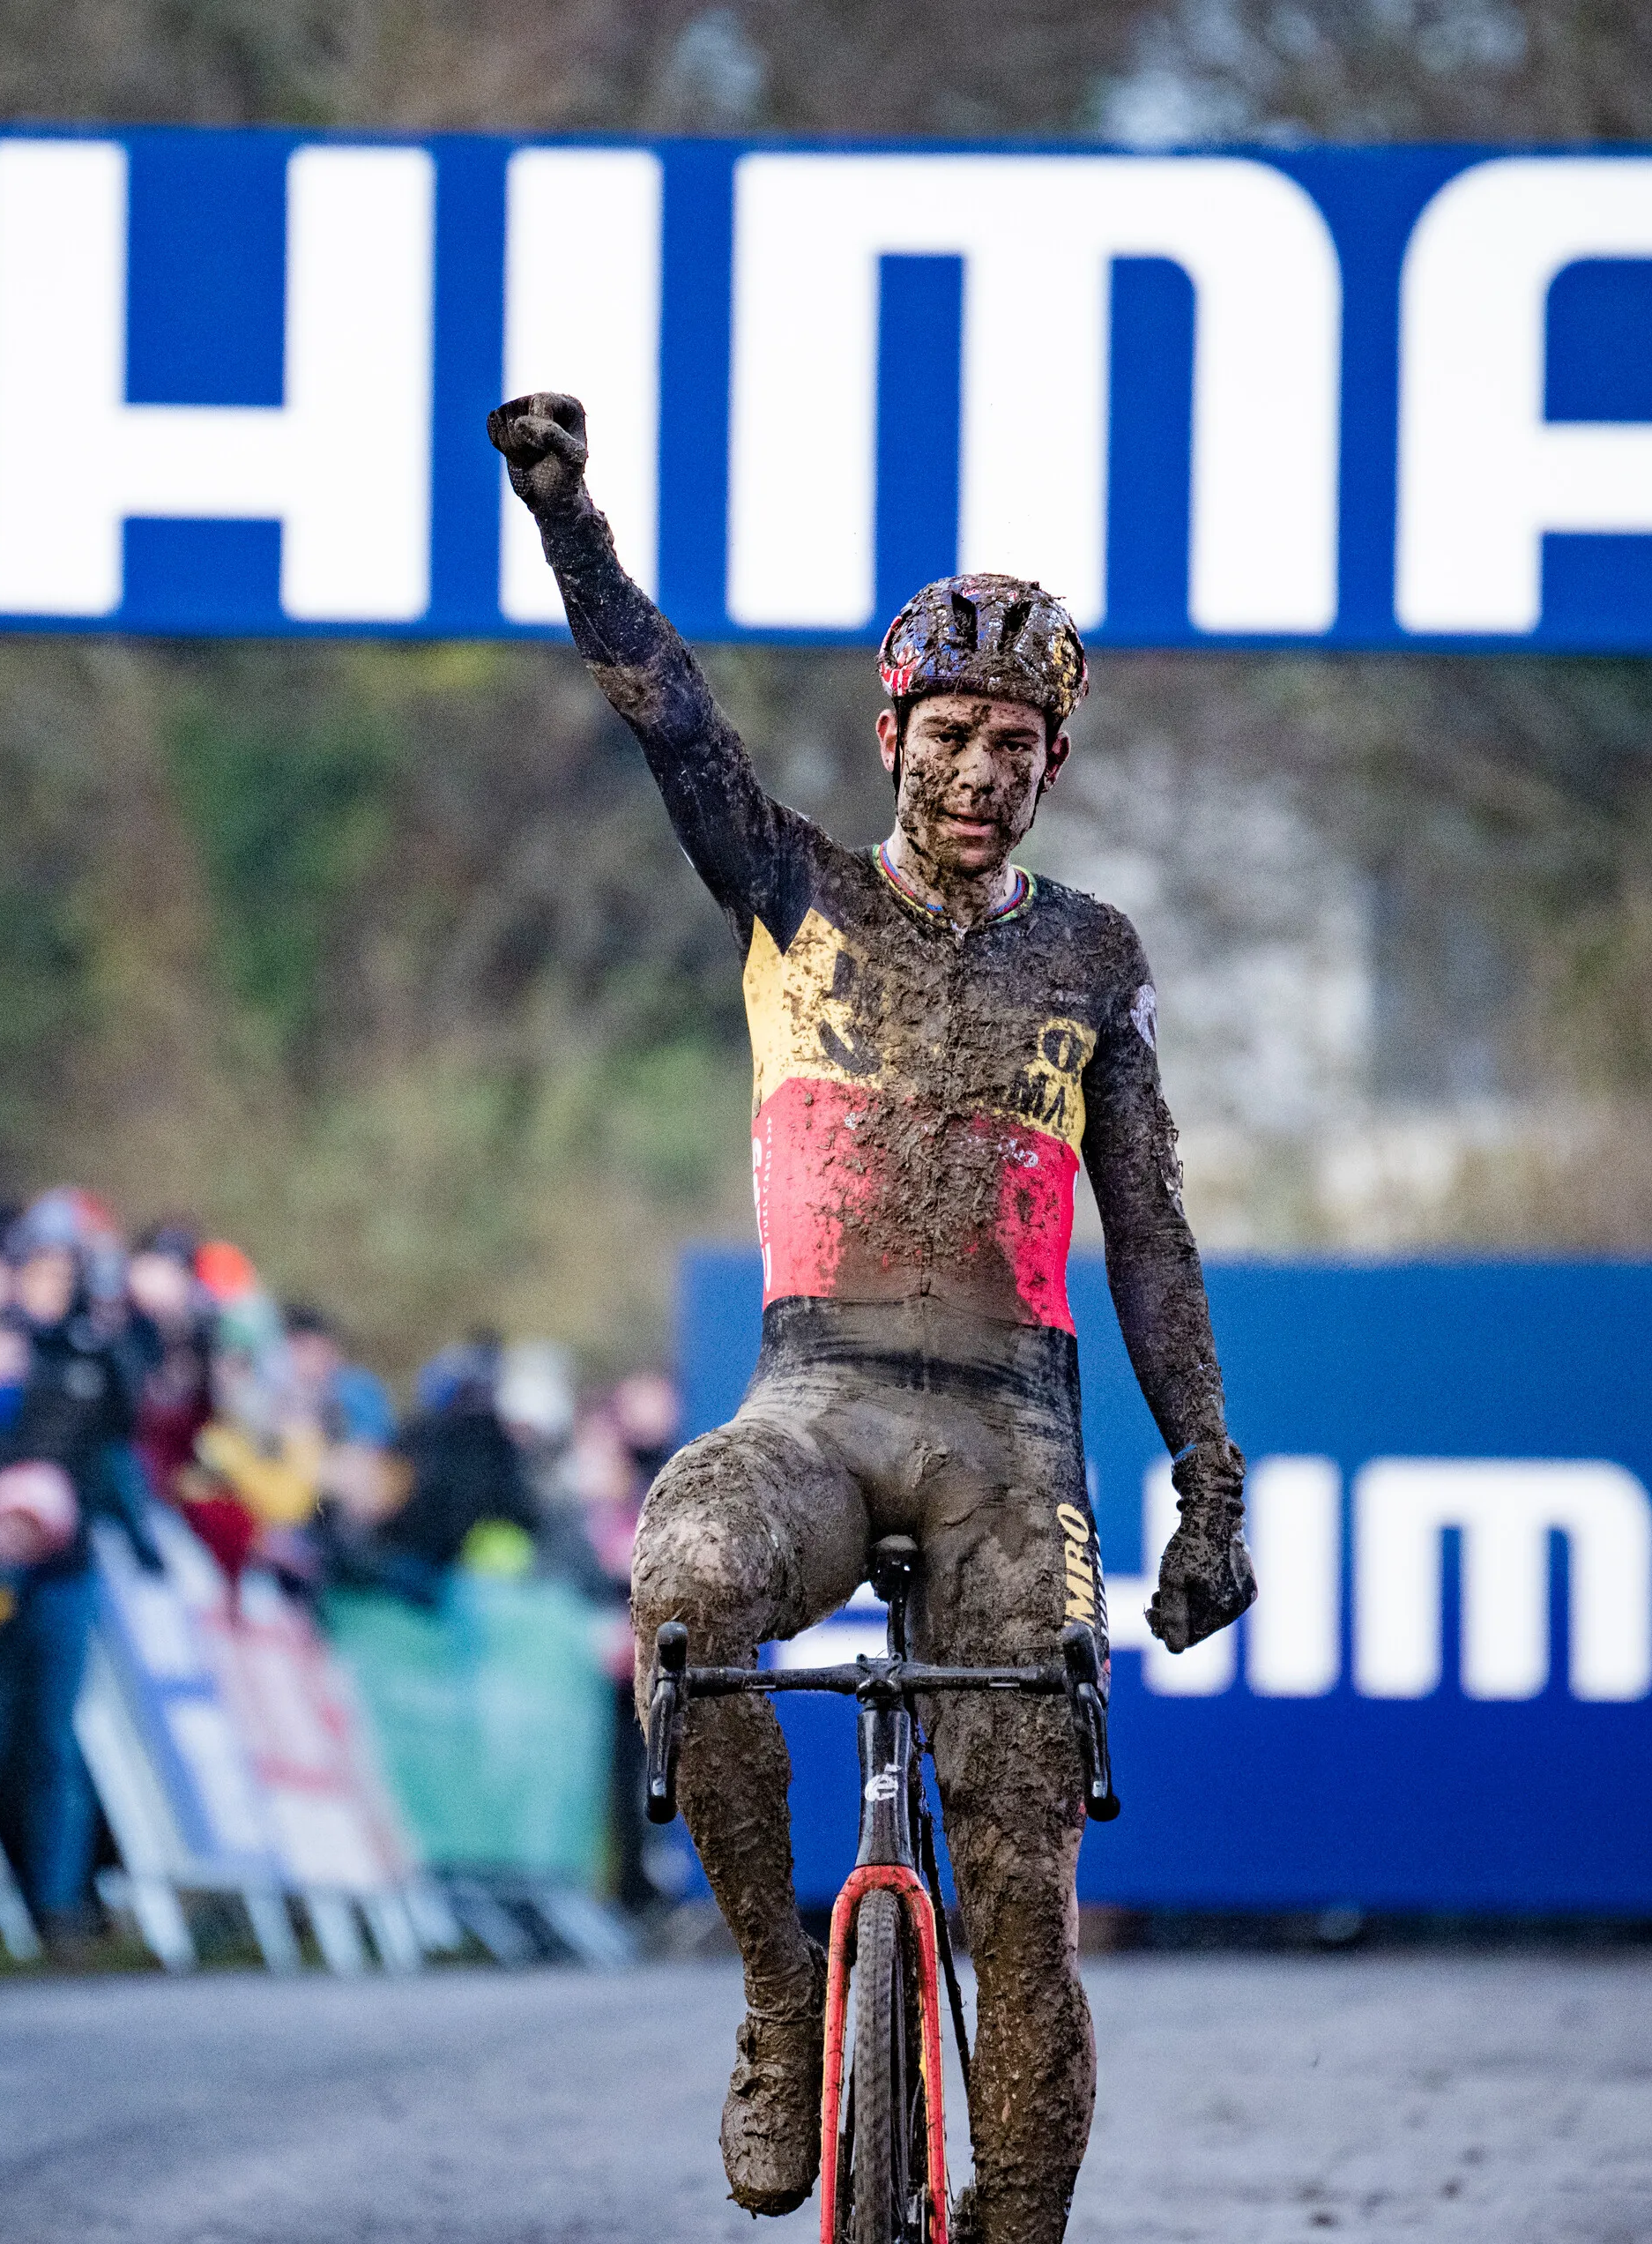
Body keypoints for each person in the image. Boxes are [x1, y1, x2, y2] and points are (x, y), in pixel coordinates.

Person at [493, 392, 1255, 2243]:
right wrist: (572, 518)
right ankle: (774, 1992)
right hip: (813, 1405)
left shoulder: (1094, 959)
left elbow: (1147, 1238)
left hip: (1010, 1442)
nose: (984, 772)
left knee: (1022, 1895)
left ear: (1051, 763)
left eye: (1020, 743)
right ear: (892, 736)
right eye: (953, 735)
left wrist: (1209, 1483)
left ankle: (1014, 2220)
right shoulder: (793, 886)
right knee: (684, 1583)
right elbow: (663, 705)